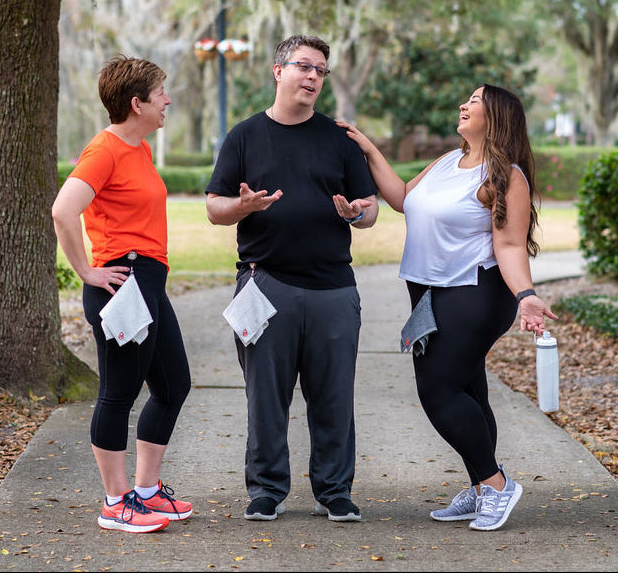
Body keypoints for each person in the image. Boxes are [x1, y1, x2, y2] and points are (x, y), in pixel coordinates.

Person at [336, 83, 558, 531]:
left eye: (474, 101)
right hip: (430, 292)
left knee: (437, 389)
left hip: (475, 290)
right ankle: (481, 488)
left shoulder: (505, 176)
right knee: (468, 388)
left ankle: (494, 485)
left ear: (495, 117)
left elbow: (511, 244)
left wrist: (526, 296)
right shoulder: (445, 164)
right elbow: (400, 198)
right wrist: (368, 149)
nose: (463, 104)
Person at [205, 35, 379, 523]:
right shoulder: (244, 136)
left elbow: (370, 211)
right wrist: (243, 206)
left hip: (333, 289)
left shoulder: (338, 139)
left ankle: (334, 490)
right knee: (266, 397)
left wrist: (355, 214)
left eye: (321, 71)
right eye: (304, 66)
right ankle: (265, 490)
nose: (313, 77)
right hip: (266, 285)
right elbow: (215, 209)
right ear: (277, 71)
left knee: (334, 396)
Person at [52, 55, 193, 534]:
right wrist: (86, 271)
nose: (168, 100)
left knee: (173, 385)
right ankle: (115, 503)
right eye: (160, 94)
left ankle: (147, 492)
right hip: (122, 285)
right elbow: (63, 211)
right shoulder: (105, 150)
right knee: (119, 393)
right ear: (137, 104)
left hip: (149, 282)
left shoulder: (139, 149)